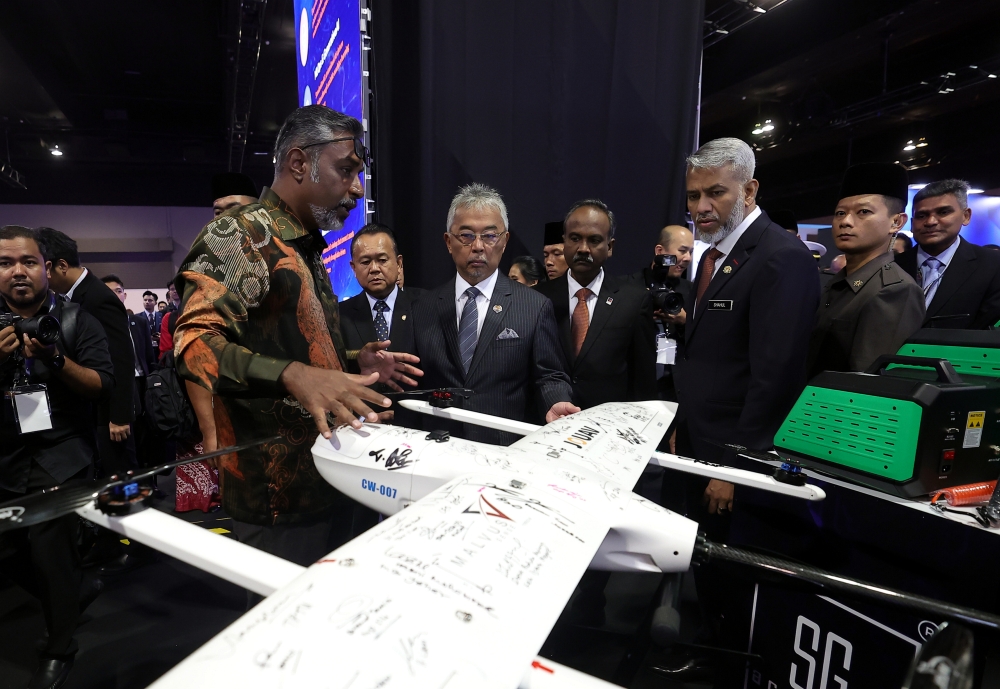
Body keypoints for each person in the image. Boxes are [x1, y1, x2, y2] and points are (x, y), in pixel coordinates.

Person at [173, 105, 420, 567]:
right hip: (276, 497)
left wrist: (351, 362)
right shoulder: (242, 233)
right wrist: (294, 375)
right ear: (300, 164)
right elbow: (194, 345)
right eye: (346, 170)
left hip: (325, 484)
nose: (357, 187)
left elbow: (288, 345)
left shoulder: (301, 244)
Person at [0, 226, 114, 689]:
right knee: (11, 556)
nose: (18, 272)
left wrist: (56, 359)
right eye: (6, 263)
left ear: (46, 268)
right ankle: (79, 589)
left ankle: (60, 646)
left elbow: (103, 384)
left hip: (62, 455)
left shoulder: (75, 320)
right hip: (6, 456)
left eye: (28, 262)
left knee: (52, 558)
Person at [412, 183, 576, 445]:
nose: (477, 246)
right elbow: (413, 382)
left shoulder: (533, 307)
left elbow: (549, 375)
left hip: (503, 449)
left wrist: (556, 401)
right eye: (466, 235)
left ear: (504, 241)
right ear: (448, 242)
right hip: (437, 447)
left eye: (489, 236)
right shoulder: (423, 307)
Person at [535, 199, 656, 408]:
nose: (583, 248)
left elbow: (643, 381)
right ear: (564, 242)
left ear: (610, 247)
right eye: (575, 238)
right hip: (546, 422)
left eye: (594, 240)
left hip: (607, 430)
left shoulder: (634, 301)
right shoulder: (538, 298)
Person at [807, 163, 925, 378]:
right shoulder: (838, 282)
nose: (846, 221)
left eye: (863, 212)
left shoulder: (893, 290)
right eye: (840, 213)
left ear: (896, 222)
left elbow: (867, 381)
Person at [37, 228, 138, 477]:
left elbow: (122, 358)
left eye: (41, 266)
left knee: (120, 481)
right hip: (88, 408)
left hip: (108, 414)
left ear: (60, 265)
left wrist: (119, 416)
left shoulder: (97, 297)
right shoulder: (67, 299)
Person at [894, 179, 1000, 330]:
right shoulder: (892, 265)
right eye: (922, 215)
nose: (930, 221)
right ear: (912, 222)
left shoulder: (992, 265)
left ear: (966, 216)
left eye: (943, 212)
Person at [340, 222, 422, 371]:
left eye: (382, 260)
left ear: (398, 263)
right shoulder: (339, 316)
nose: (374, 269)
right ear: (353, 268)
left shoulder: (425, 305)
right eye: (365, 262)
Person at [628, 225, 694, 401]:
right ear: (659, 251)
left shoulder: (691, 291)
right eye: (682, 250)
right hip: (637, 387)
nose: (687, 258)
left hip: (675, 387)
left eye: (690, 252)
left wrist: (685, 321)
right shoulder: (629, 287)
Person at [158, 280, 181, 359]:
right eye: (172, 289)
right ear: (169, 292)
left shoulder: (193, 309)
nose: (175, 291)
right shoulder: (166, 311)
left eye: (177, 288)